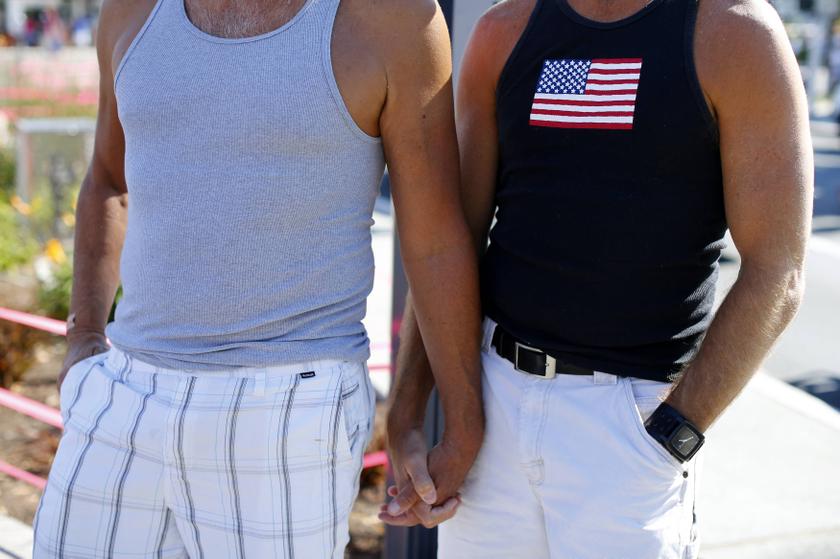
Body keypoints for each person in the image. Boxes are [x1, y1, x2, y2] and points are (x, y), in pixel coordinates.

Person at [32, 0, 483, 556]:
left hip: (288, 407)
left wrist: (457, 421)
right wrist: (82, 341)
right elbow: (108, 178)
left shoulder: (392, 18)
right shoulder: (131, 9)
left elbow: (435, 240)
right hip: (124, 388)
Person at [382, 0, 813, 556]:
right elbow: (448, 244)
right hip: (493, 411)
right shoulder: (504, 31)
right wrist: (410, 407)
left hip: (630, 424)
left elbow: (778, 270)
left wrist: (670, 436)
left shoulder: (733, 31)